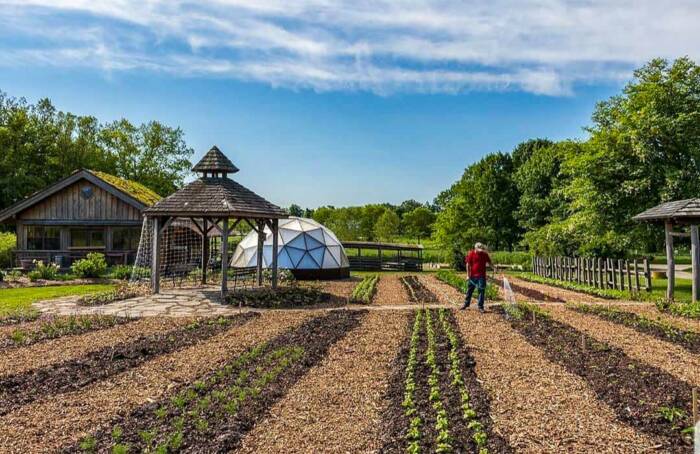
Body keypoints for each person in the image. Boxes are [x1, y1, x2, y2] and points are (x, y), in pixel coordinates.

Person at [461, 242, 492, 312]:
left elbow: (489, 262)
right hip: (472, 276)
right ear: (475, 248)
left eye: (481, 249)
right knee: (469, 290)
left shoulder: (484, 254)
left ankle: (480, 307)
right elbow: (468, 265)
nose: (480, 250)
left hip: (482, 276)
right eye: (479, 249)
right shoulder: (471, 254)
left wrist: (494, 268)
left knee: (481, 291)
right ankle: (466, 304)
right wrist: (467, 275)